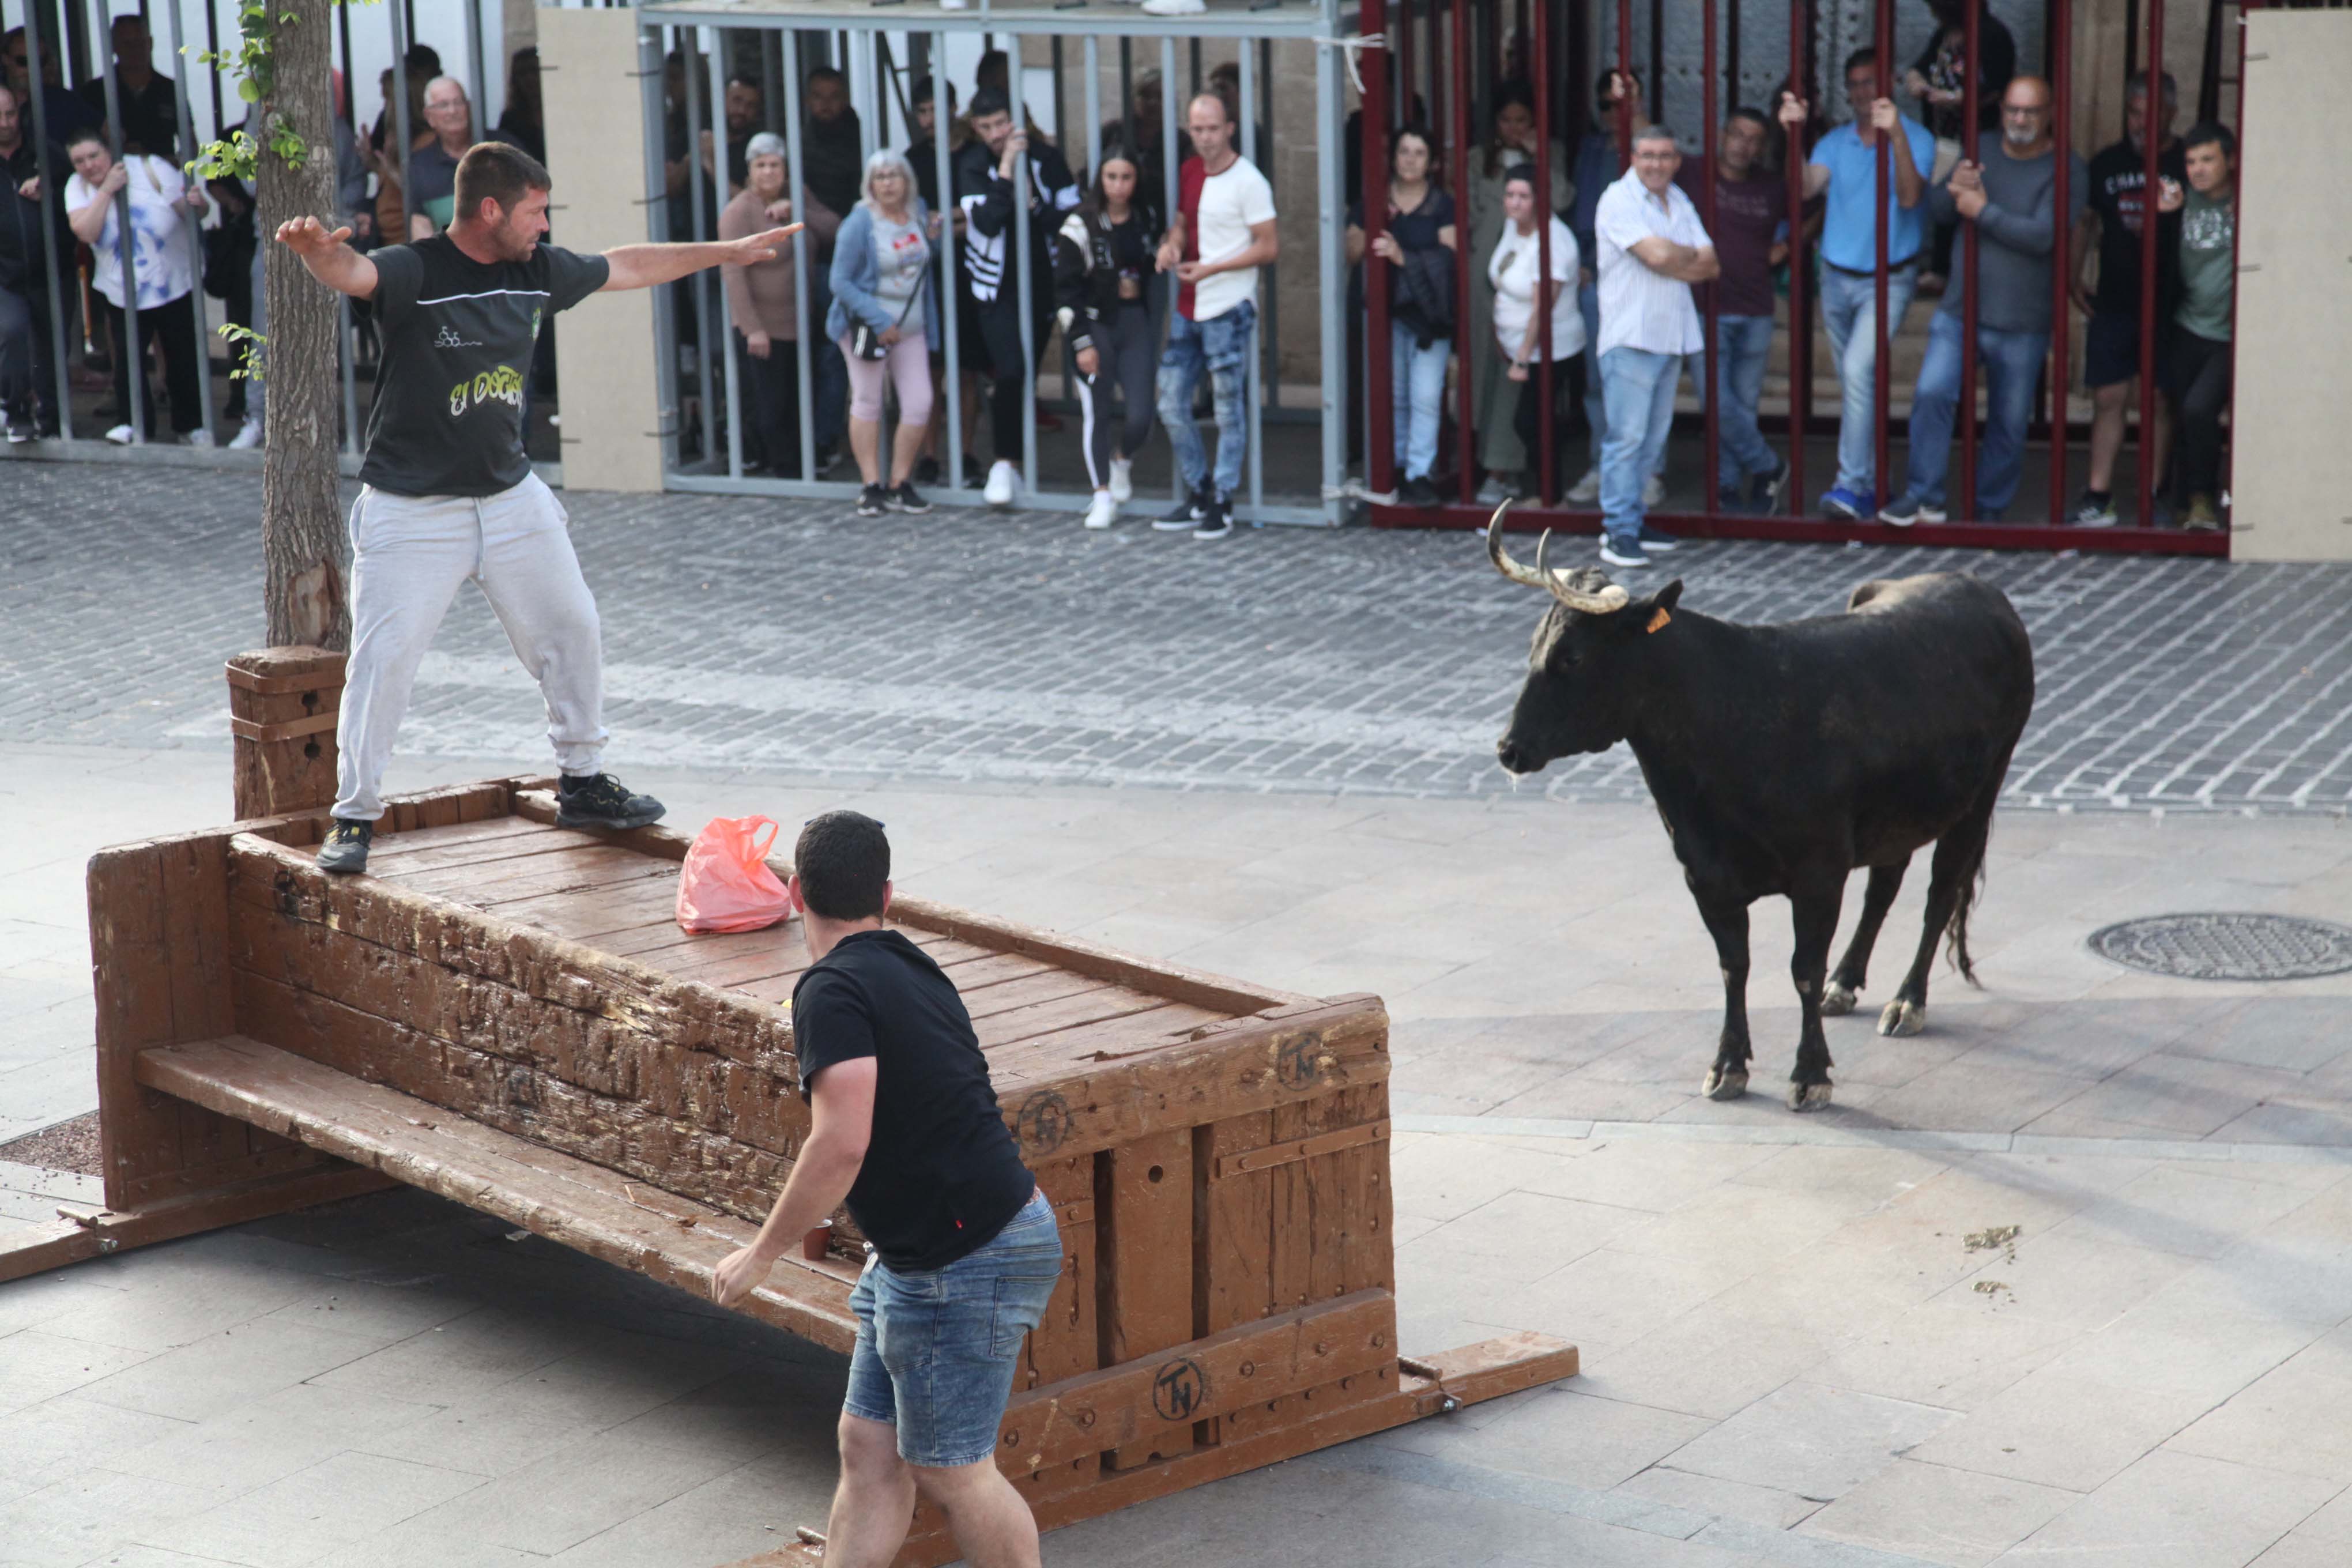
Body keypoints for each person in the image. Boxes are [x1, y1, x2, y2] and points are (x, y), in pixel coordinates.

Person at [274, 140, 800, 875]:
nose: (544, 226)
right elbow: (349, 271)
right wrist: (312, 253)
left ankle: (582, 780)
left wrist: (728, 251)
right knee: (384, 660)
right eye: (535, 212)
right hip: (412, 509)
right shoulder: (416, 270)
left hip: (511, 496)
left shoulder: (537, 272)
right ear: (490, 210)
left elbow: (630, 263)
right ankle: (355, 815)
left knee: (573, 624)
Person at [711, 811, 1059, 1568]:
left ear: (795, 891)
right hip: (933, 1250)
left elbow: (842, 1142)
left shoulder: (831, 992)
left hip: (965, 1255)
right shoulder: (909, 964)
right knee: (870, 1447)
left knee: (951, 1468)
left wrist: (761, 1254)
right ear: (888, 895)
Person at [1882, 77, 2085, 526]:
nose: (2019, 119)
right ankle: (1924, 496)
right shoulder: (1980, 147)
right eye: (2012, 109)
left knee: (2009, 425)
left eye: (2030, 112)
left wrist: (1981, 212)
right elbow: (1936, 211)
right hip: (1961, 311)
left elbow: (2044, 236)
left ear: (2050, 113)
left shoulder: (2067, 167)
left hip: (2024, 321)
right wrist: (1954, 185)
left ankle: (1988, 513)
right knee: (1932, 393)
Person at [1780, 52, 1936, 519]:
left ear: (1886, 83)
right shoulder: (1836, 141)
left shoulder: (1919, 137)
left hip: (1888, 279)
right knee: (1857, 381)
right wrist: (1793, 134)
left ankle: (1850, 485)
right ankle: (1870, 485)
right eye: (1855, 84)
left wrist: (1896, 135)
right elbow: (1804, 188)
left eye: (1871, 82)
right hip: (1836, 275)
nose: (1863, 92)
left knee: (1856, 371)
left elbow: (1910, 197)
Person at [1154, 92, 1277, 541]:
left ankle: (1222, 499)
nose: (1204, 137)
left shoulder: (1249, 181)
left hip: (1227, 305)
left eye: (1212, 128)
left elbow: (1269, 246)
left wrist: (1212, 267)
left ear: (1229, 129)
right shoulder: (1190, 171)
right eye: (1197, 129)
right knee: (1170, 402)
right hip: (1191, 303)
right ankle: (1200, 490)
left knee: (1228, 408)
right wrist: (1171, 246)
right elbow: (1182, 223)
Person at [1593, 123, 1715, 568]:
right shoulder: (1617, 200)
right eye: (1648, 156)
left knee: (1651, 439)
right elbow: (1661, 257)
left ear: (1677, 161)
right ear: (1633, 158)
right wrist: (1676, 255)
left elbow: (1711, 264)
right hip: (1630, 336)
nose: (1657, 164)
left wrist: (1669, 254)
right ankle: (1617, 531)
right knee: (1626, 438)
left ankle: (1634, 518)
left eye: (1665, 156)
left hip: (1670, 336)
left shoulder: (1677, 200)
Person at [952, 86, 1079, 509]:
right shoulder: (972, 163)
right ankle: (1004, 463)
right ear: (975, 128)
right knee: (1011, 368)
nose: (995, 134)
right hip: (995, 286)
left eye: (1001, 124)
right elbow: (986, 222)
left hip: (1044, 281)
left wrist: (1036, 206)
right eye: (986, 127)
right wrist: (1007, 168)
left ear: (1017, 120)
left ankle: (1015, 462)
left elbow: (1072, 213)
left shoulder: (1046, 159)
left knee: (1023, 374)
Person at [2068, 70, 2183, 527]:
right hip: (2115, 298)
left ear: (2171, 114)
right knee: (2109, 397)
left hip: (2172, 300)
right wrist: (2072, 279)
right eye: (2134, 113)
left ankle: (2152, 491)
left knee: (2158, 399)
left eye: (2151, 114)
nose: (2141, 123)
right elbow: (2086, 223)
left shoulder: (2186, 162)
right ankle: (2098, 493)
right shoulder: (2107, 163)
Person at [63, 127, 208, 445]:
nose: (88, 166)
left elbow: (192, 211)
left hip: (171, 281)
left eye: (93, 156)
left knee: (181, 357)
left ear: (109, 152)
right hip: (121, 290)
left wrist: (197, 204)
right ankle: (135, 424)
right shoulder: (78, 187)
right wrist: (107, 191)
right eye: (79, 161)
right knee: (128, 359)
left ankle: (191, 425)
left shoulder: (150, 167)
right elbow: (85, 232)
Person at [1680, 108, 1791, 513]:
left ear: (1762, 147)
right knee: (1718, 403)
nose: (1744, 145)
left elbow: (1815, 206)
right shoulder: (1694, 173)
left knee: (1741, 406)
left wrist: (1792, 242)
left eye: (1754, 139)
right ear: (1722, 135)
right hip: (1707, 307)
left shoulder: (1772, 186)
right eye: (1738, 135)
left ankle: (1726, 488)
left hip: (1757, 309)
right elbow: (1647, 148)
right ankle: (1768, 466)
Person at [1465, 82, 1570, 502]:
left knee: (1516, 378)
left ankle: (1506, 468)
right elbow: (1471, 211)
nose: (1513, 128)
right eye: (1506, 120)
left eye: (1522, 120)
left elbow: (1561, 198)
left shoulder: (1552, 155)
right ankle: (1477, 458)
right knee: (1482, 372)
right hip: (1486, 270)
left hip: (1527, 275)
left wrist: (1537, 152)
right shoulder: (1477, 159)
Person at [1347, 126, 1457, 507]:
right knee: (1394, 396)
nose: (1411, 159)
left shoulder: (1443, 205)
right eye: (1404, 151)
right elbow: (1351, 253)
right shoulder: (1373, 201)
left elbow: (1449, 264)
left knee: (1426, 396)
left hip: (1430, 320)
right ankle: (1392, 468)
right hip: (1388, 316)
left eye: (1419, 153)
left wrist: (1402, 257)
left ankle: (1419, 473)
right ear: (1392, 158)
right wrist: (1377, 219)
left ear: (1431, 162)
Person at [721, 131, 839, 478]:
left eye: (775, 165)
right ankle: (783, 470)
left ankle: (803, 463)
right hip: (764, 328)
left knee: (801, 398)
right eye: (761, 166)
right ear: (749, 170)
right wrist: (752, 328)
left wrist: (797, 212)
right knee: (771, 404)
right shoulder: (739, 212)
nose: (769, 172)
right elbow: (733, 275)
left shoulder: (796, 195)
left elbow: (834, 227)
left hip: (801, 322)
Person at [830, 151, 940, 517]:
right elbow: (840, 282)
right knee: (868, 401)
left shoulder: (919, 212)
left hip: (911, 330)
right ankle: (871, 485)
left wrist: (934, 237)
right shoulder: (859, 223)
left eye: (895, 175)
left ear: (907, 180)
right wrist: (880, 321)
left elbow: (918, 263)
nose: (888, 183)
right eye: (880, 177)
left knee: (920, 402)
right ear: (870, 184)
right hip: (869, 330)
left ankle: (900, 482)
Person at [1054, 148, 1159, 529]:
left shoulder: (1145, 219)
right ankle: (1101, 493)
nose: (1118, 186)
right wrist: (1081, 342)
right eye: (1111, 177)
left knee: (1141, 415)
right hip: (1096, 324)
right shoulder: (1080, 225)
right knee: (1097, 411)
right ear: (1100, 179)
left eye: (1126, 177)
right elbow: (1065, 291)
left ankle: (1122, 459)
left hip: (1134, 323)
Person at [1569, 69, 1657, 505]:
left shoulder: (1651, 151)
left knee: (1643, 377)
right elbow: (1581, 214)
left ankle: (1647, 471)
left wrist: (1634, 111)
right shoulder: (1590, 150)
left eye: (1624, 103)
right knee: (1598, 380)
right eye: (1607, 105)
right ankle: (1602, 465)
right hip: (1598, 282)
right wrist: (1583, 265)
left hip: (1644, 281)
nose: (1615, 113)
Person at [1905, 0, 2018, 294]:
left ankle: (1968, 273)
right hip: (1944, 136)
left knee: (1975, 203)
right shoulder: (1944, 33)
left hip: (1980, 137)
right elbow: (1919, 67)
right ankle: (1941, 270)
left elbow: (1995, 89)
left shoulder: (1993, 35)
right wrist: (1915, 81)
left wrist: (1956, 99)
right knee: (1943, 202)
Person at [1486, 164, 1584, 500]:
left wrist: (1523, 359)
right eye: (1510, 195)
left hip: (1549, 351)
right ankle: (1545, 492)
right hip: (1517, 349)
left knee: (1532, 422)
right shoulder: (1514, 228)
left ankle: (1550, 497)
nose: (1514, 203)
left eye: (1523, 197)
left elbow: (1545, 306)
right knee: (1531, 422)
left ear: (1540, 200)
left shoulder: (1554, 239)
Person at [2161, 122, 2236, 532]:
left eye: (2208, 159)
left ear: (2231, 161)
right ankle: (2186, 503)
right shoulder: (2179, 202)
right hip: (2187, 326)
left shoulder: (2247, 202)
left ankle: (2205, 498)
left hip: (2228, 334)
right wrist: (2164, 218)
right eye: (2191, 161)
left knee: (2198, 409)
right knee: (2183, 415)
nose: (2199, 169)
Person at [804, 67, 865, 470]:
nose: (827, 104)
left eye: (834, 96)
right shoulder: (802, 142)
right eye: (819, 96)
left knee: (833, 352)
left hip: (850, 259)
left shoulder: (859, 138)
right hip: (809, 257)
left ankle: (824, 438)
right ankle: (815, 439)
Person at [0, 80, 67, 442]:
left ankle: (52, 416)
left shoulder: (48, 154)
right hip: (4, 273)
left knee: (52, 343)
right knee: (11, 332)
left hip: (51, 268)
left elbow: (77, 200)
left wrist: (50, 196)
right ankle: (16, 411)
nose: (6, 123)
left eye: (10, 114)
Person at [406, 78, 516, 238]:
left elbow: (528, 206)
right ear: (429, 116)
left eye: (458, 102)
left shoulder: (504, 149)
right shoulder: (420, 167)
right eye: (443, 105)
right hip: (449, 259)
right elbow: (421, 228)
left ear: (469, 107)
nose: (453, 111)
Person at [77, 14, 178, 160]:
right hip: (111, 178)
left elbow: (191, 145)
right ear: (113, 47)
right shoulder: (94, 92)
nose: (134, 50)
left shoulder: (170, 89)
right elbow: (80, 144)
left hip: (161, 180)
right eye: (126, 44)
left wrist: (170, 161)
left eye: (139, 43)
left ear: (150, 43)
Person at [4, 27, 99, 146]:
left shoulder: (64, 101)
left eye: (40, 62)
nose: (31, 69)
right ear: (6, 59)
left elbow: (109, 135)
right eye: (23, 61)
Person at [497, 47, 544, 164]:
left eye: (533, 71)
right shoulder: (511, 120)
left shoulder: (561, 111)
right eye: (522, 73)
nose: (529, 79)